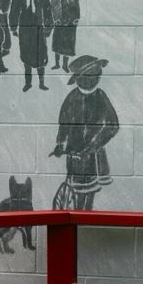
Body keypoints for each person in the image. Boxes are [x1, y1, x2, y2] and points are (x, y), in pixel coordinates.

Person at [51, 55, 119, 211]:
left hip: (93, 153)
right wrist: (60, 144)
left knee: (89, 192)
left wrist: (96, 143)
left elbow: (113, 125)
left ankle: (84, 215)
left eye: (96, 74)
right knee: (78, 191)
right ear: (80, 79)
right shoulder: (72, 98)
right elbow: (63, 124)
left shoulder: (100, 96)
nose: (94, 79)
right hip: (75, 151)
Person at [9, 0, 54, 92]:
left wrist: (48, 27)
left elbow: (48, 12)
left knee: (41, 57)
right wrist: (13, 27)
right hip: (25, 31)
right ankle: (28, 83)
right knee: (26, 57)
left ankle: (41, 83)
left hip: (39, 31)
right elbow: (13, 12)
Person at [53, 0, 79, 73]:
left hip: (70, 23)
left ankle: (65, 65)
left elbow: (77, 6)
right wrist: (56, 19)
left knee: (68, 45)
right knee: (58, 43)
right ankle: (57, 63)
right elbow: (54, 7)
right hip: (60, 22)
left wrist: (76, 18)